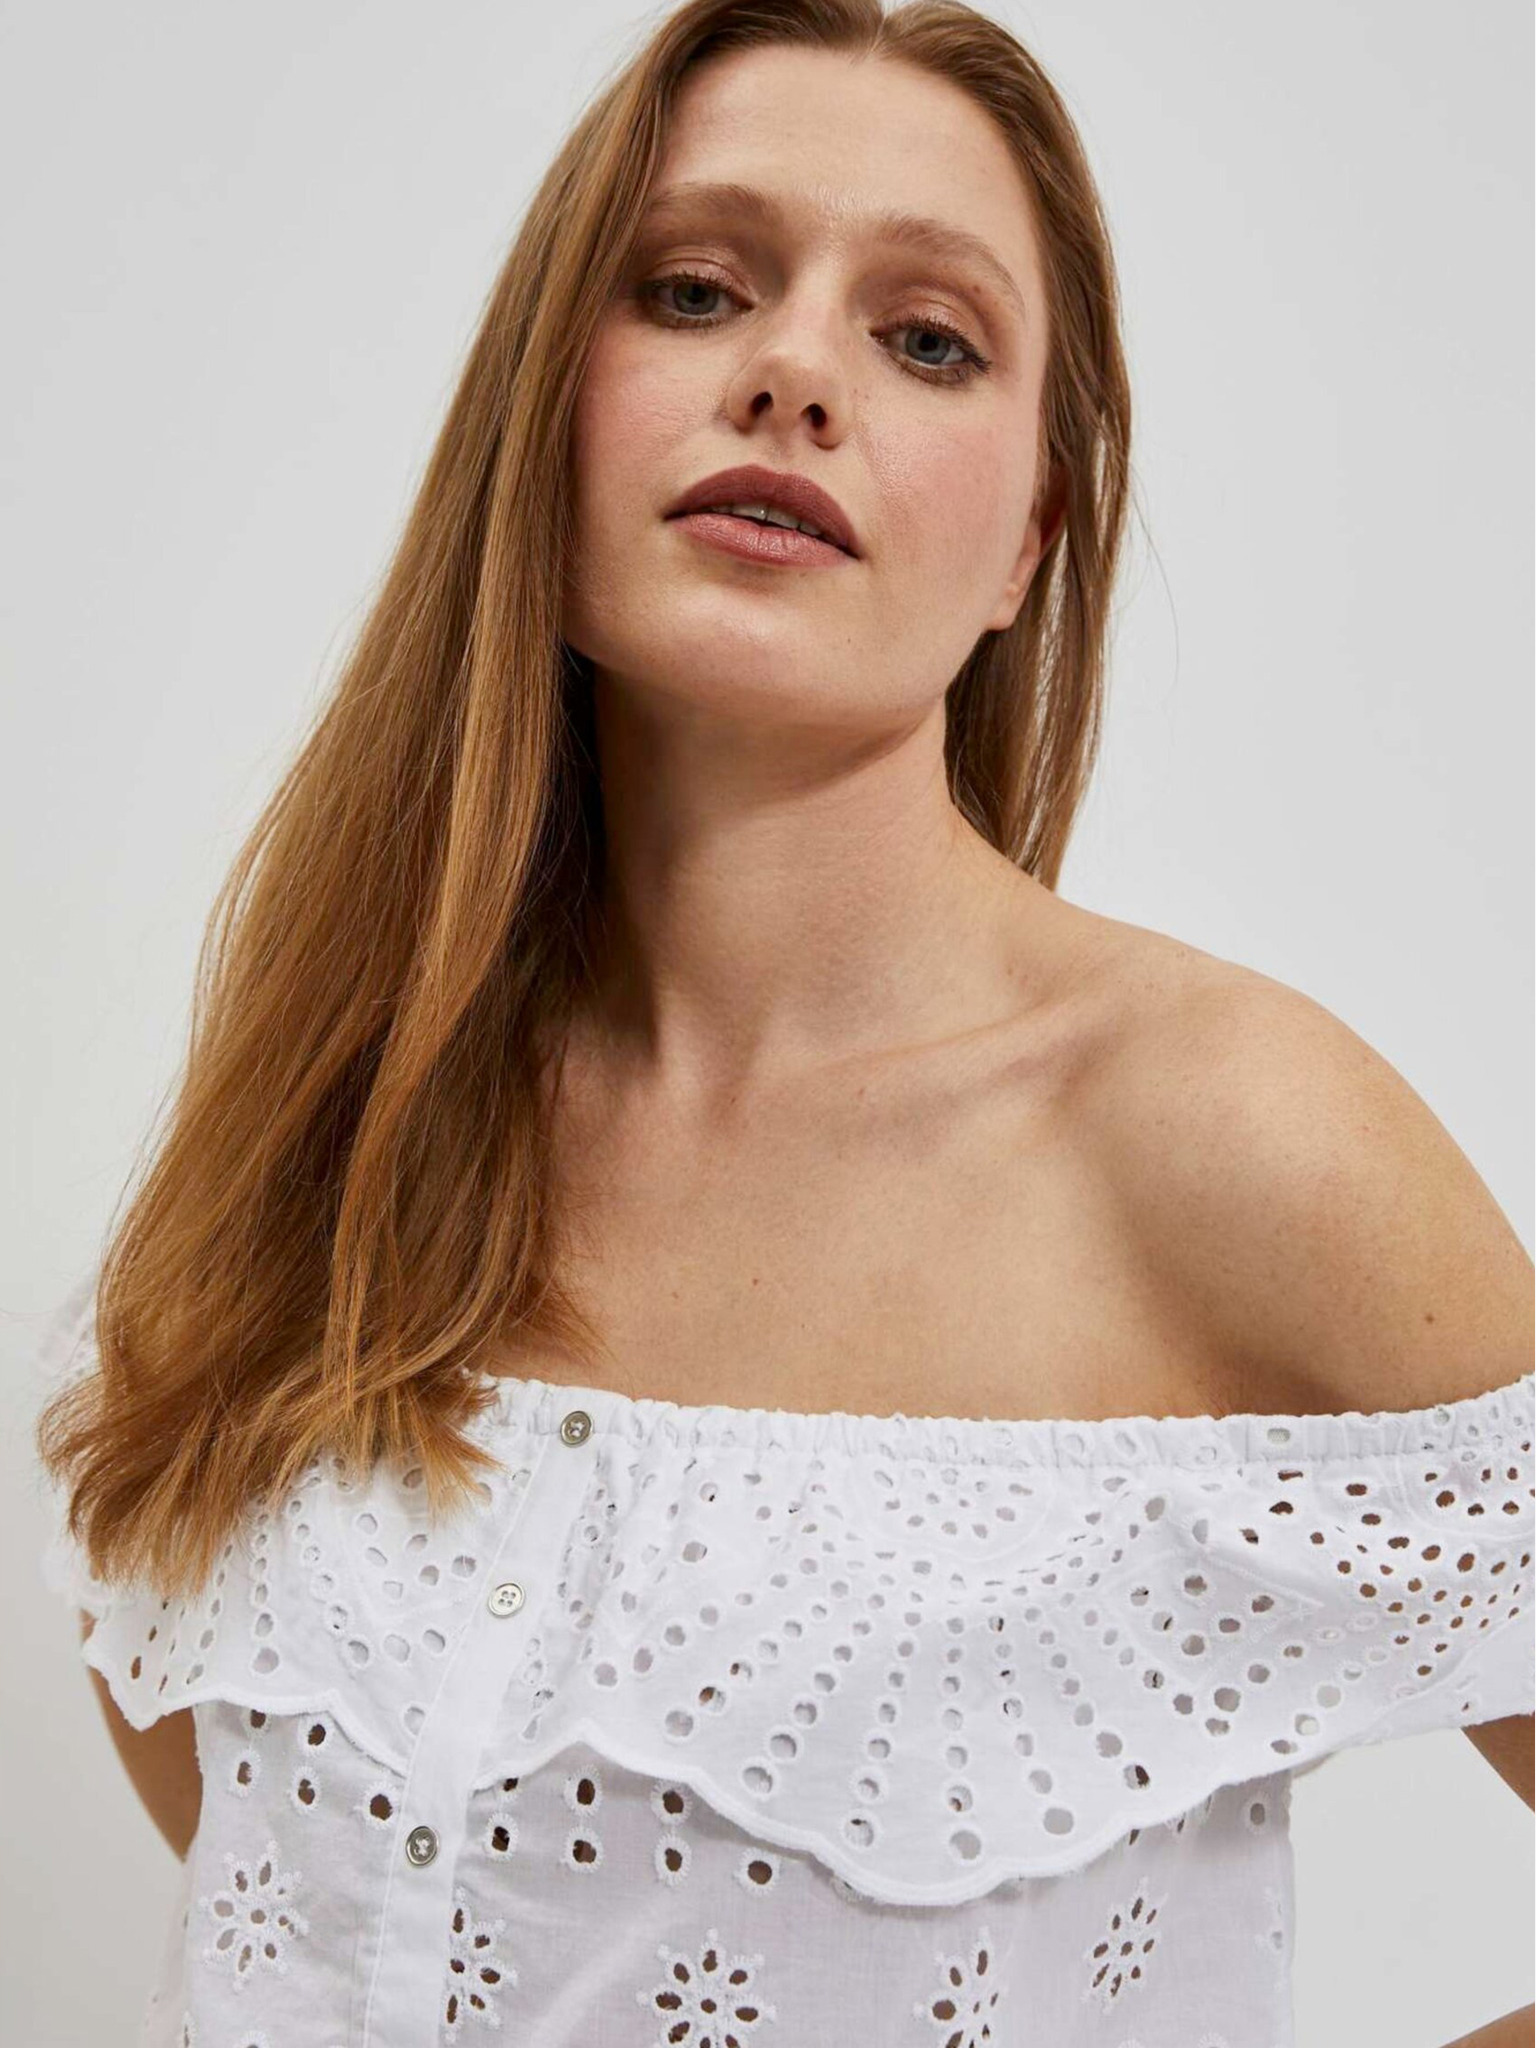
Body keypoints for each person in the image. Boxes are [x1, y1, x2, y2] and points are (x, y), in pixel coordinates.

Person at [32, 2, 1533, 2043]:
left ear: (1028, 543)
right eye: (692, 289)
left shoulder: (1227, 1136)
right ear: (543, 417)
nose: (793, 372)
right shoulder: (324, 1128)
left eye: (929, 339)